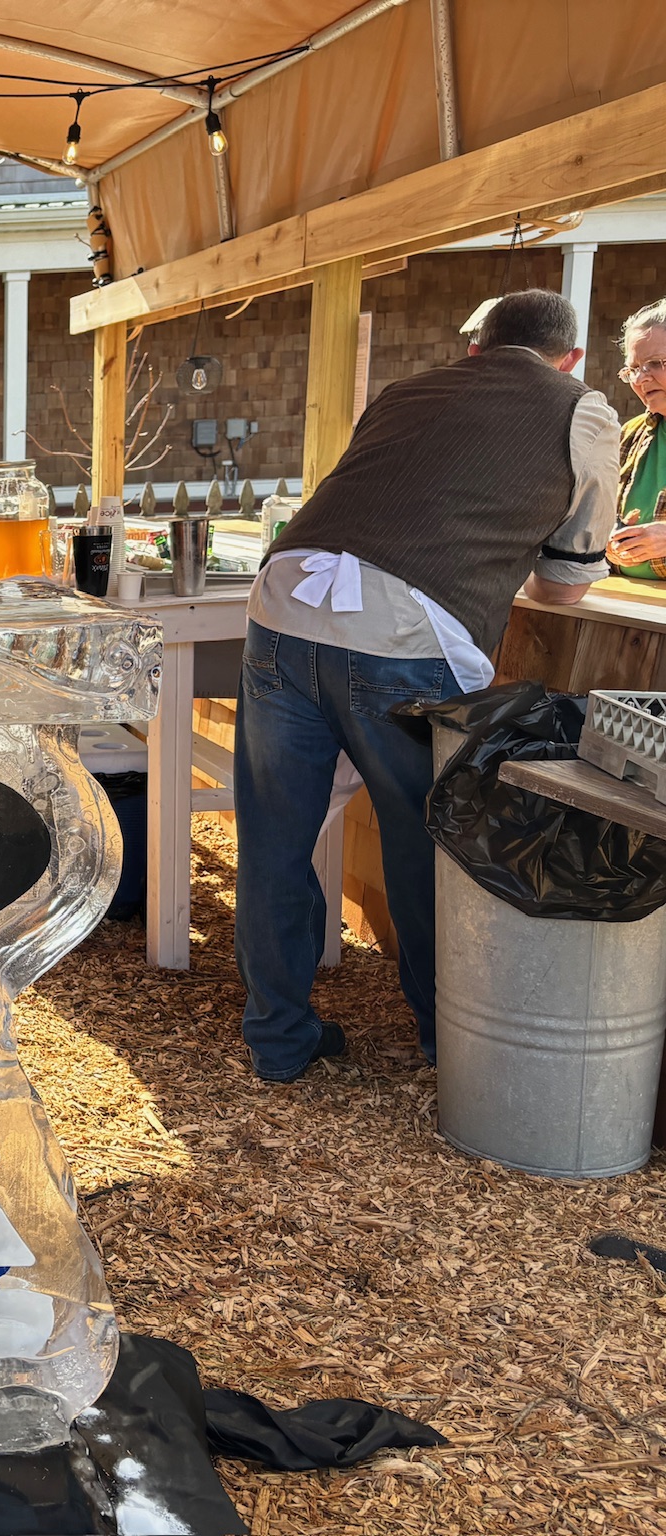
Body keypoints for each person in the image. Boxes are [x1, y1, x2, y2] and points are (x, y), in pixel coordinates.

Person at [233, 289, 618, 1082]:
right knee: (427, 839)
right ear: (569, 357)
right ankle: (450, 1046)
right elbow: (566, 586)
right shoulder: (584, 411)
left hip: (284, 599)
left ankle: (278, 1041)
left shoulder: (406, 391)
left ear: (475, 348)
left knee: (275, 836)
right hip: (407, 631)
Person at [599, 300, 666, 577]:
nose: (640, 379)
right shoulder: (629, 434)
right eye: (633, 369)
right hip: (628, 605)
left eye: (654, 364)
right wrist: (610, 537)